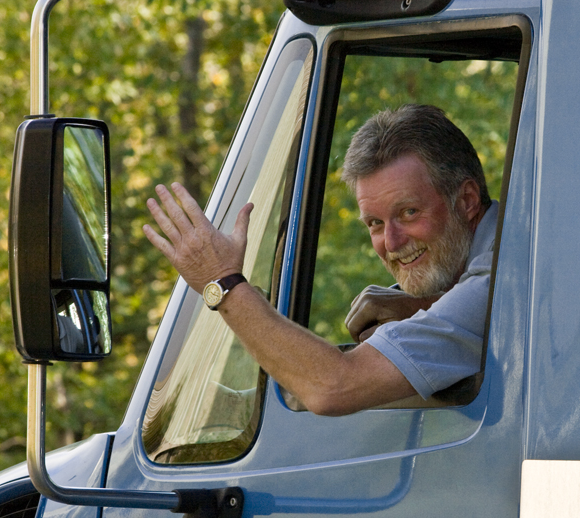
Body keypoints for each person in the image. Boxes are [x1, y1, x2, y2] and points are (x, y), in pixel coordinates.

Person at [144, 104, 497, 416]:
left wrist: (222, 282)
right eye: (375, 223)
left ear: (466, 200)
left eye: (408, 212)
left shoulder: (499, 282)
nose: (391, 242)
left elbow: (335, 386)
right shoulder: (507, 250)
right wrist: (427, 306)